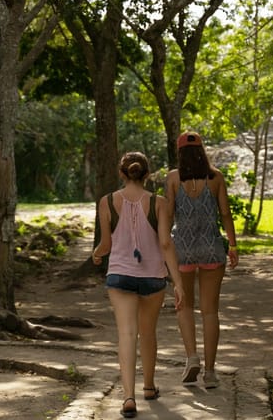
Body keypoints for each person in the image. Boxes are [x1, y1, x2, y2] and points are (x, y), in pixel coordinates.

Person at [92, 151, 183, 419]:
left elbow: (106, 244)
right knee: (148, 333)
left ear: (122, 173)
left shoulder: (107, 201)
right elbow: (166, 243)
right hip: (153, 277)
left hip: (119, 276)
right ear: (147, 175)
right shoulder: (160, 203)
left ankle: (128, 397)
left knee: (127, 335)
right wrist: (178, 283)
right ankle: (149, 386)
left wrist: (96, 254)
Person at [164, 131, 239, 389]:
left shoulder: (173, 178)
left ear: (179, 151)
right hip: (211, 249)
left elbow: (169, 213)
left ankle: (191, 358)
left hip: (182, 250)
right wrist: (233, 245)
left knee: (183, 306)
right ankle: (209, 372)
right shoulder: (215, 177)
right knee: (209, 311)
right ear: (202, 150)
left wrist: (163, 245)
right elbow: (226, 214)